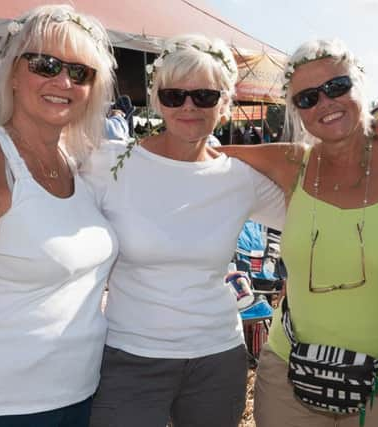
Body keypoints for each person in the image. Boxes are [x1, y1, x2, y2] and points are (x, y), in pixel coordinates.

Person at [220, 38, 378, 427]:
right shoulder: (292, 163)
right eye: (307, 98)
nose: (325, 103)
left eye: (337, 87)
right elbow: (203, 156)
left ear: (360, 86)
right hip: (288, 381)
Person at [81, 34, 285, 427]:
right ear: (157, 100)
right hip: (129, 358)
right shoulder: (108, 164)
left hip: (217, 357)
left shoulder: (239, 177)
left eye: (204, 96)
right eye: (174, 95)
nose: (188, 106)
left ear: (225, 103)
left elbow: (312, 213)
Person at [0, 5, 118, 427]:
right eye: (45, 64)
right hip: (0, 409)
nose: (62, 81)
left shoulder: (73, 161)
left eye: (80, 73)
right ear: (11, 71)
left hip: (78, 397)